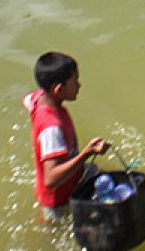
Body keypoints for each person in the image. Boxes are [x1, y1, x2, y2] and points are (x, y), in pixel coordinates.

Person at [23, 51, 108, 215]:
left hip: (74, 175)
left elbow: (27, 100)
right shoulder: (52, 129)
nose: (79, 85)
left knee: (96, 172)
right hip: (59, 199)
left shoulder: (38, 99)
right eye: (75, 82)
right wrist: (87, 153)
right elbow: (50, 180)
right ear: (58, 89)